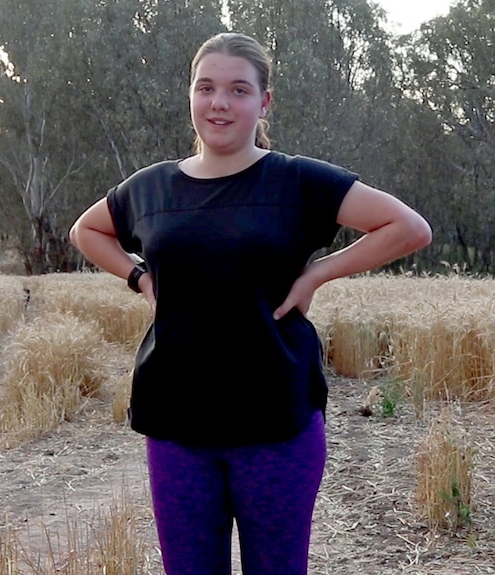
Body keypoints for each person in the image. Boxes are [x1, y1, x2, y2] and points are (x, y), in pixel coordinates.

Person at [69, 31, 432, 575]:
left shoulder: (296, 181)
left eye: (239, 90)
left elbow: (408, 227)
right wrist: (139, 277)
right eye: (206, 87)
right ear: (190, 96)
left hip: (276, 422)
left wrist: (318, 273)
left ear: (263, 103)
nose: (220, 102)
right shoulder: (152, 189)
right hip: (177, 422)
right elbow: (87, 230)